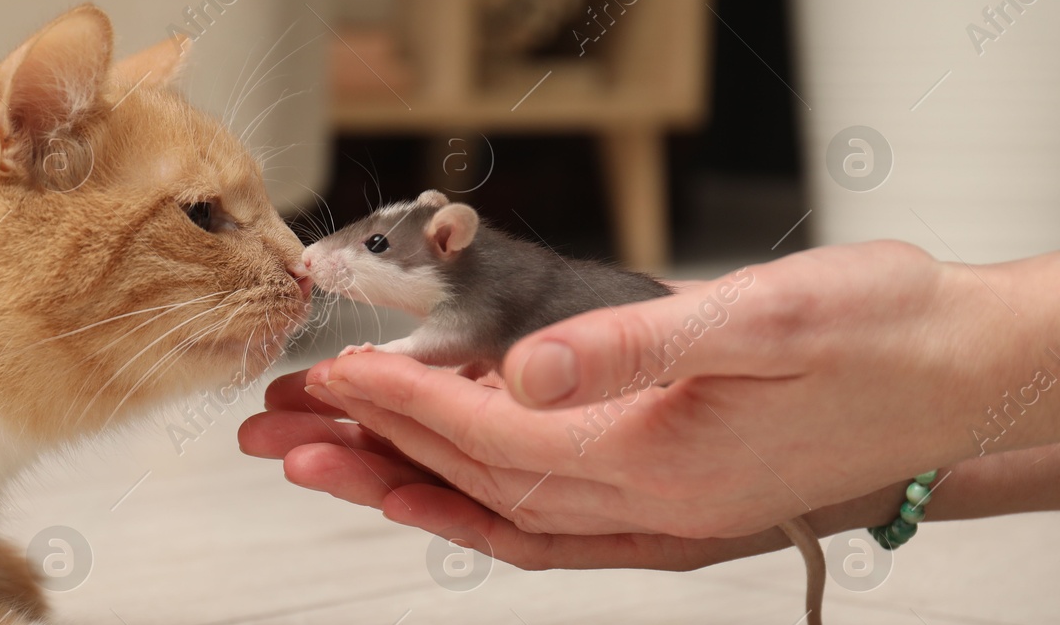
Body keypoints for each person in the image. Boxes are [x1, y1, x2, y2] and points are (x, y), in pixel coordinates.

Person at [239, 241, 1060, 570]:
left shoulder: (478, 295)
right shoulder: (490, 288)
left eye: (372, 247)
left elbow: (454, 338)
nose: (325, 258)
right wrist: (859, 463)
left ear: (448, 244)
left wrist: (945, 359)